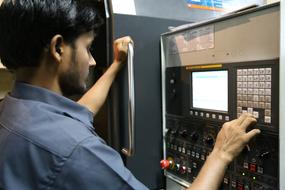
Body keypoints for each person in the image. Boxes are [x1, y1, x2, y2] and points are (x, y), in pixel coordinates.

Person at [0, 0, 260, 190]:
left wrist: (117, 65)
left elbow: (82, 111)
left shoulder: (14, 109)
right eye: (88, 48)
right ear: (58, 48)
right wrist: (221, 154)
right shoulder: (76, 151)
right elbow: (69, 141)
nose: (91, 62)